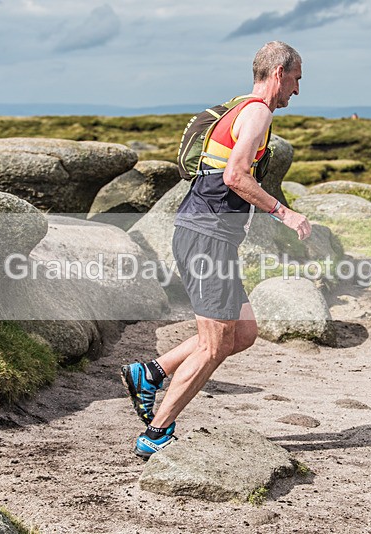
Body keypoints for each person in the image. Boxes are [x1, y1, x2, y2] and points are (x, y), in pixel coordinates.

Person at [121, 41, 312, 458]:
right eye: (297, 79)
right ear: (279, 73)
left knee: (241, 332)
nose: (297, 90)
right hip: (207, 238)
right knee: (214, 343)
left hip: (207, 236)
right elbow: (235, 176)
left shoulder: (239, 107)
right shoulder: (257, 112)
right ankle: (156, 434)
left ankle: (149, 373)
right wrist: (286, 214)